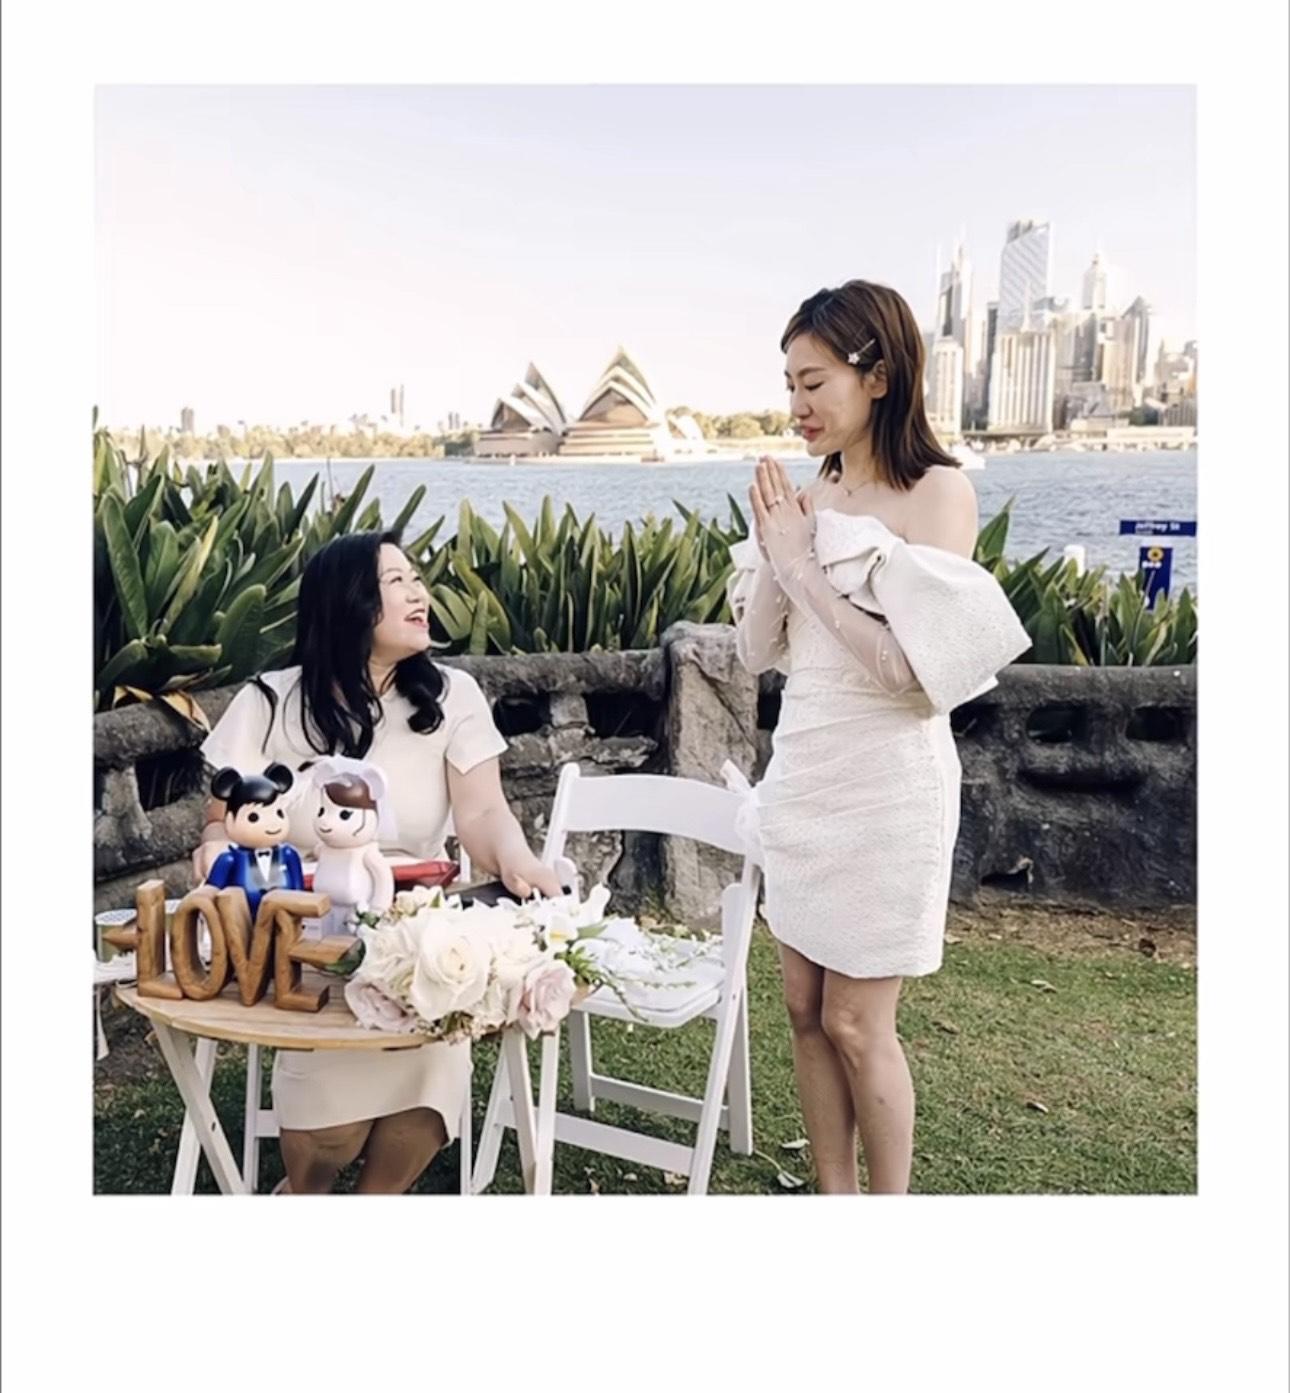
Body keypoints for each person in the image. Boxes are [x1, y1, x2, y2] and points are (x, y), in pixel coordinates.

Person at [729, 280, 1030, 1194]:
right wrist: (777, 555)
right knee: (803, 1007)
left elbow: (910, 672)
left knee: (858, 1022)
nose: (797, 405)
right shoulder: (811, 491)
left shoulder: (938, 493)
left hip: (888, 784)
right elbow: (756, 652)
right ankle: (836, 1196)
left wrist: (799, 563)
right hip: (806, 771)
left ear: (880, 375)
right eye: (789, 383)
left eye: (814, 382)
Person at [194, 529, 563, 1194]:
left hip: (418, 942)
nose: (419, 593)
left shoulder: (453, 696)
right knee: (326, 1138)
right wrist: (218, 854)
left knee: (417, 1119)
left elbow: (484, 812)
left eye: (416, 579)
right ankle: (305, 1190)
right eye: (397, 582)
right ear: (350, 602)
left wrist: (518, 860)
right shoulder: (269, 702)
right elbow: (221, 822)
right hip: (304, 941)